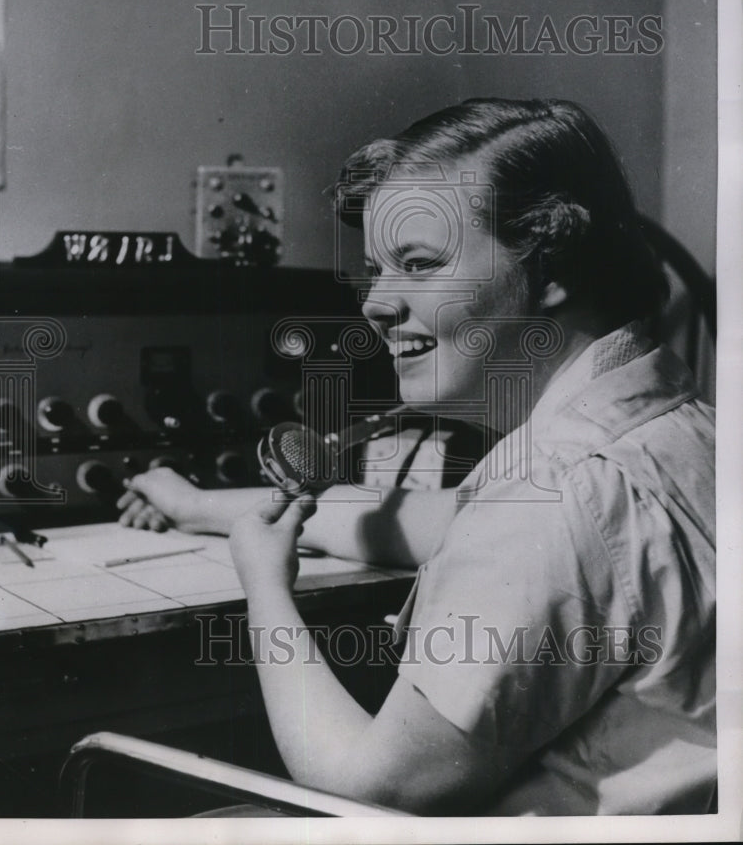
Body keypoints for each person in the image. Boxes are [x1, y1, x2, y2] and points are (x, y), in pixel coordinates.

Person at [118, 98, 715, 815]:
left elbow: (375, 787)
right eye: (377, 269)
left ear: (550, 265)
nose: (375, 302)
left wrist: (265, 589)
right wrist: (198, 505)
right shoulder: (672, 428)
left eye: (420, 264)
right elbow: (440, 518)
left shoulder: (549, 497)